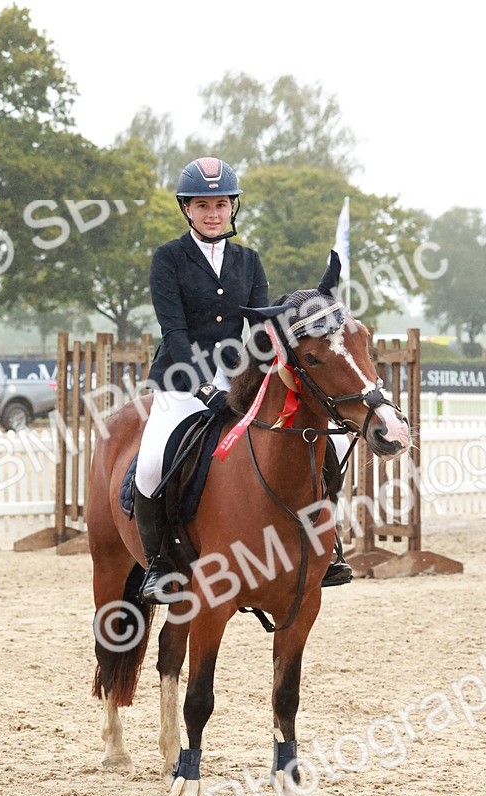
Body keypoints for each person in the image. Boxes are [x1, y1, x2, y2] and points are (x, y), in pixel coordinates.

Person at [134, 155, 352, 603]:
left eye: (220, 204)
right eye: (202, 205)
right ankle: (161, 562)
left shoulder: (248, 261)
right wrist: (203, 387)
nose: (212, 214)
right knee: (154, 462)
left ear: (232, 207)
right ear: (187, 209)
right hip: (180, 380)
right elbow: (174, 332)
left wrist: (294, 334)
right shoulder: (168, 258)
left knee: (321, 446)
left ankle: (327, 547)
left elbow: (261, 328)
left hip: (236, 377)